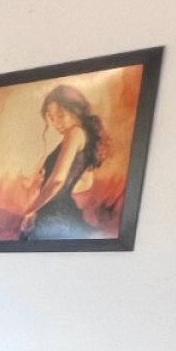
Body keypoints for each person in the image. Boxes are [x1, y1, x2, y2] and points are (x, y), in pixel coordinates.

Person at [18, 84, 107, 241]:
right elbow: (84, 183)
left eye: (60, 116)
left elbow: (57, 181)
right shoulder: (84, 136)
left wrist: (29, 210)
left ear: (76, 111)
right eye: (51, 118)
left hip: (56, 216)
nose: (55, 123)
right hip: (59, 214)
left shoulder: (74, 133)